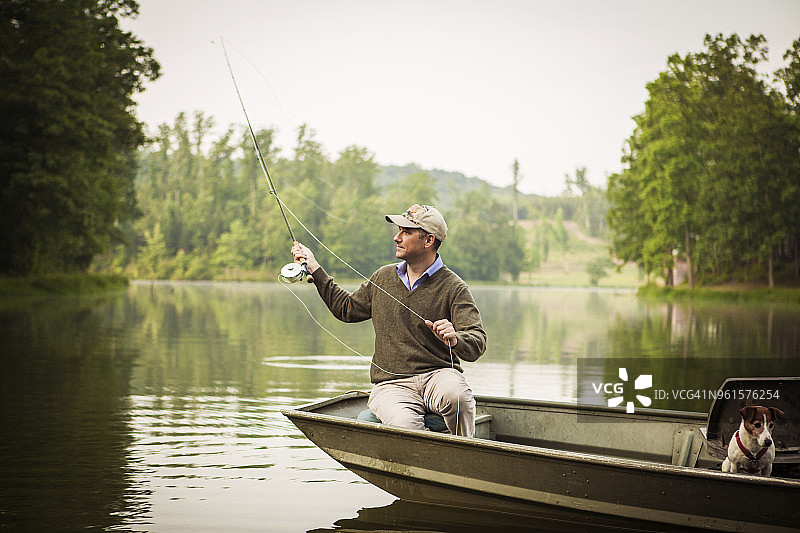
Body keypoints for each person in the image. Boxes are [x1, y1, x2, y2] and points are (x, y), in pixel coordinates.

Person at [291, 204, 486, 437]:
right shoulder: (383, 277)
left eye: (406, 232)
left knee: (457, 396)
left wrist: (455, 339)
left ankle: (466, 453)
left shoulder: (454, 287)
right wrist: (314, 267)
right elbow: (346, 309)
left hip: (438, 376)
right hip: (391, 384)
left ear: (429, 240)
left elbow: (477, 342)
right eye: (398, 230)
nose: (397, 237)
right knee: (404, 425)